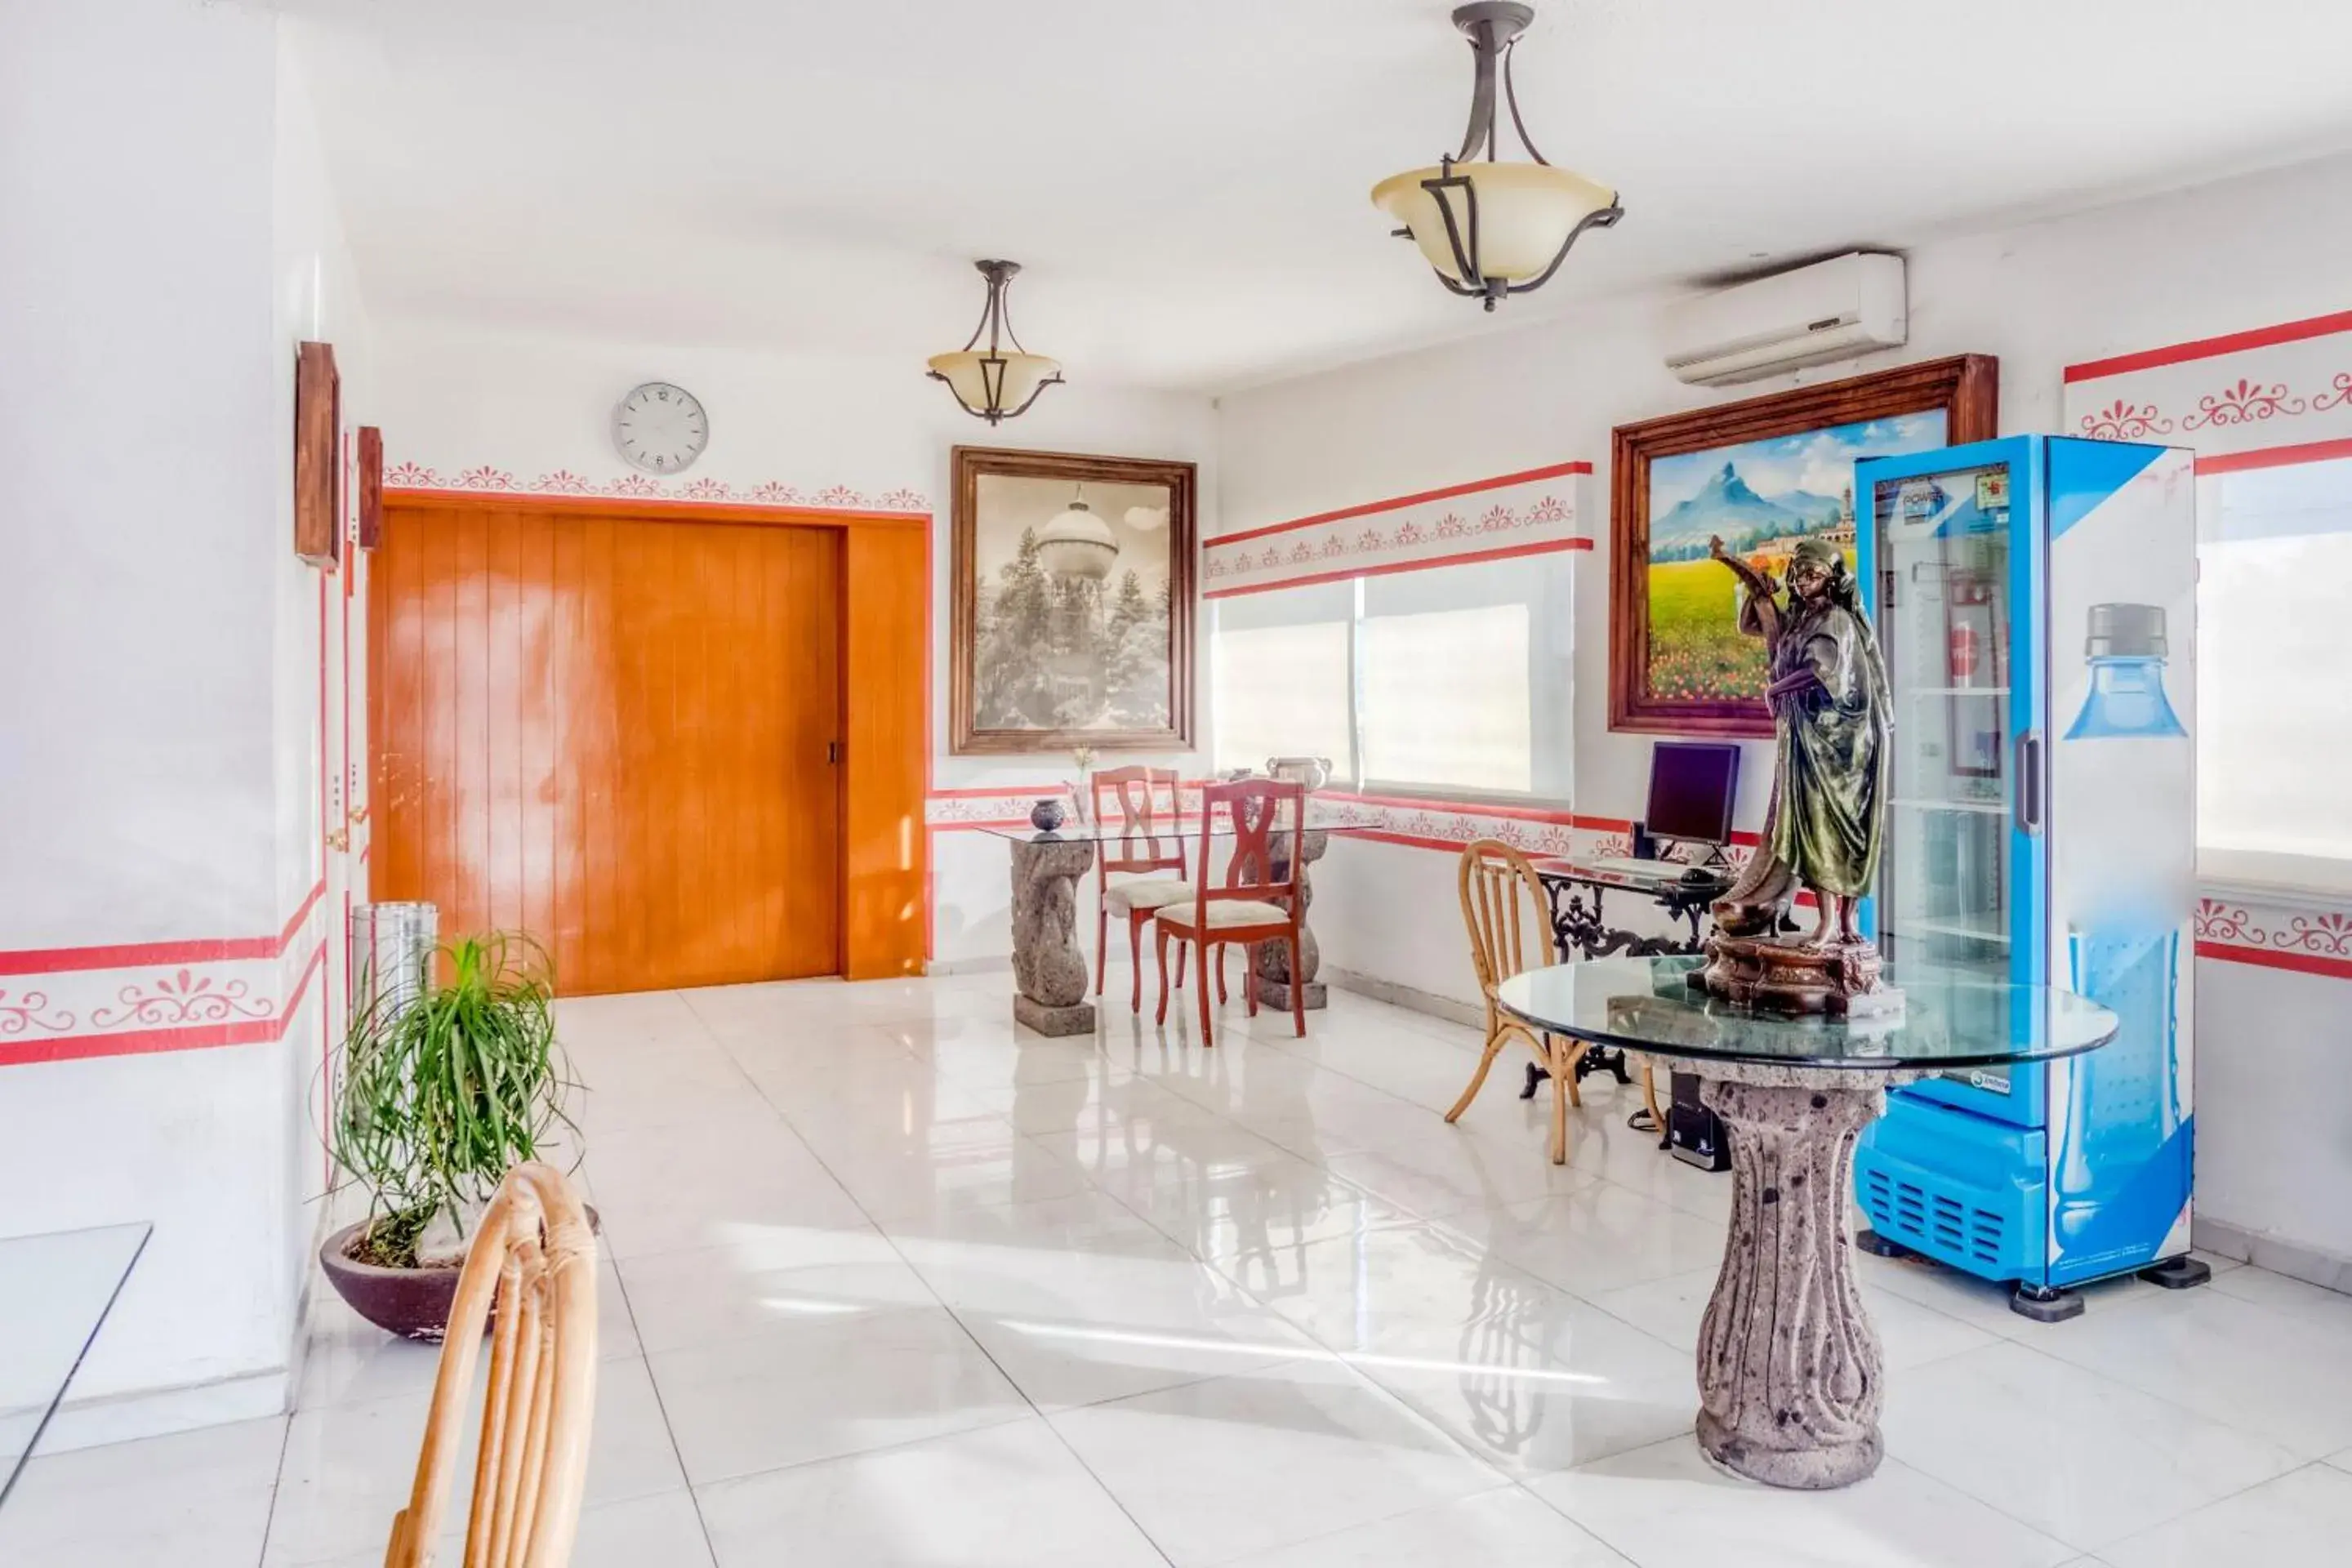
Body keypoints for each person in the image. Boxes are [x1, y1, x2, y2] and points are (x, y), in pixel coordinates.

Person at [1705, 533, 1891, 948]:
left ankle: (1844, 926)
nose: (1803, 581)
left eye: (1813, 574)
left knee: (1838, 832)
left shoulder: (1836, 621)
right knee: (1813, 829)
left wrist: (1776, 690)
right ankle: (1827, 923)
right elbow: (1752, 625)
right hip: (1806, 739)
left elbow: (1821, 670)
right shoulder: (1801, 619)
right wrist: (1755, 593)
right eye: (1798, 573)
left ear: (1831, 579)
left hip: (1840, 746)